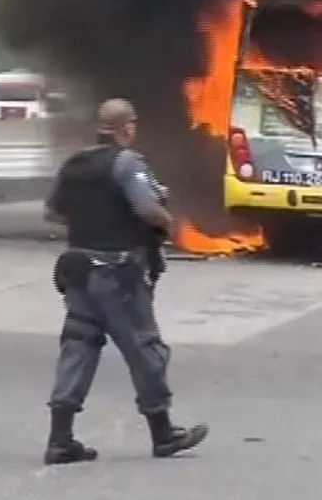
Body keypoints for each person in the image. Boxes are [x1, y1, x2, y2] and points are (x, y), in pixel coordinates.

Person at [42, 97, 208, 465]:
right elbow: (147, 209)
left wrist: (88, 221)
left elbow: (52, 213)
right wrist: (167, 223)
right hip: (118, 275)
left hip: (78, 270)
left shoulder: (74, 164)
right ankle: (163, 433)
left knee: (79, 345)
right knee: (144, 347)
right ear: (127, 127)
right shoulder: (126, 163)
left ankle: (60, 438)